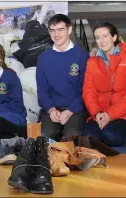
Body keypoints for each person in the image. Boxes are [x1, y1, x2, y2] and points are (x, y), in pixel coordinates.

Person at [82, 22, 126, 147]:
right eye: (98, 38)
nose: (101, 41)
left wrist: (110, 115)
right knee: (88, 138)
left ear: (114, 37)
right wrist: (97, 113)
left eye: (105, 36)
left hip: (125, 115)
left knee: (110, 134)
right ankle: (103, 138)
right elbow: (88, 92)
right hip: (100, 113)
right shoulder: (92, 62)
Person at [36, 14, 90, 142]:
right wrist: (50, 109)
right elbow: (42, 90)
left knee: (70, 140)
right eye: (52, 30)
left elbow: (86, 90)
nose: (56, 34)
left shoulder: (82, 56)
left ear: (69, 30)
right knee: (46, 139)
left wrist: (71, 110)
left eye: (61, 29)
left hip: (76, 109)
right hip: (53, 109)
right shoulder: (44, 58)